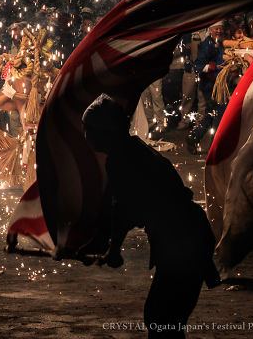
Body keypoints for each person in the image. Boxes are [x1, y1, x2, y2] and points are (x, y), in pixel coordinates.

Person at [83, 94, 220, 336]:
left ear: (104, 132)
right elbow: (114, 205)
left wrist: (113, 249)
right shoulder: (132, 148)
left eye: (88, 130)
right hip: (187, 234)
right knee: (165, 318)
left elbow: (123, 211)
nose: (86, 136)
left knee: (162, 317)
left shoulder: (121, 159)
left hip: (181, 238)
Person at [186, 22, 225, 154]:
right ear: (210, 30)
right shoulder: (206, 45)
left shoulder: (222, 43)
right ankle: (214, 148)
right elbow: (198, 65)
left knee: (211, 114)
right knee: (217, 114)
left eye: (220, 28)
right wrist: (212, 67)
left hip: (219, 86)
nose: (219, 31)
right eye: (216, 29)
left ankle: (194, 137)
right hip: (210, 86)